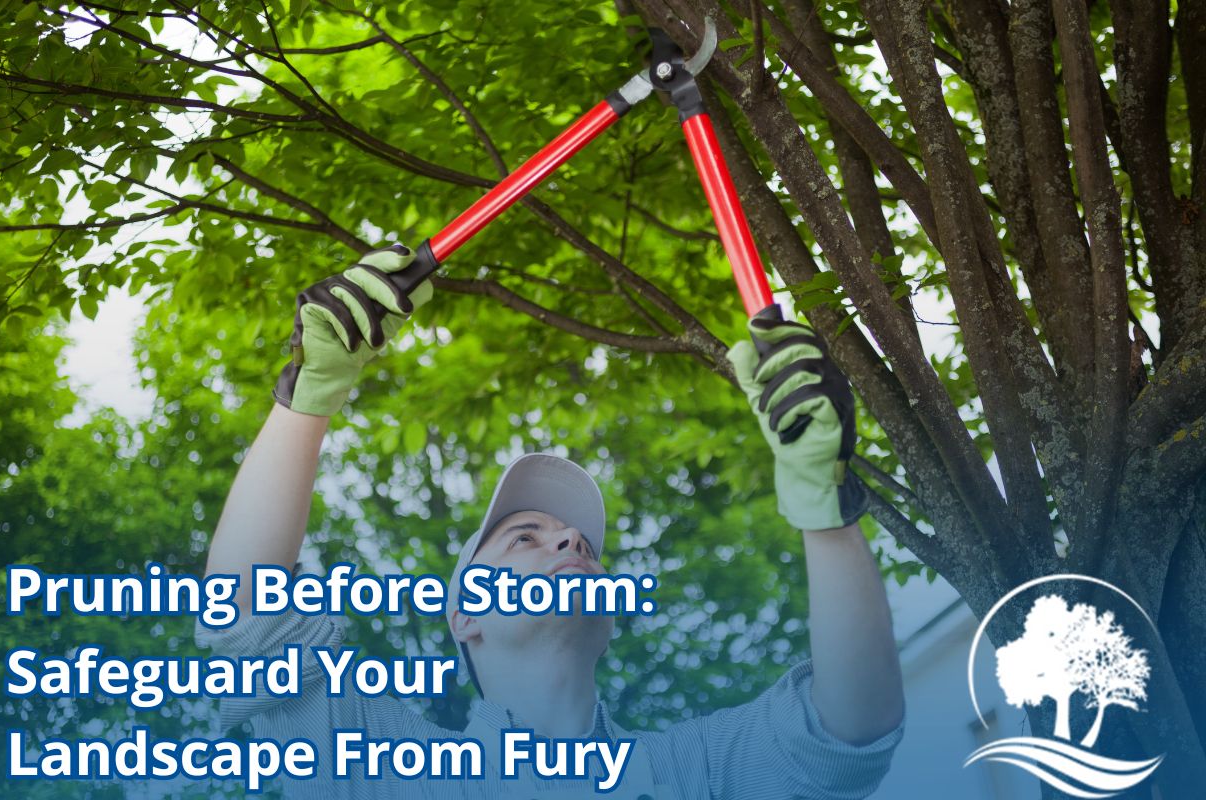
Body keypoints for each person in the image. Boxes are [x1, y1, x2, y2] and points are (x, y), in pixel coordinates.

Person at [197, 246, 905, 798]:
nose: (570, 540)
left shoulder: (693, 773)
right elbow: (242, 618)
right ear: (464, 618)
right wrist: (306, 400)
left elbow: (848, 733)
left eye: (581, 545)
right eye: (523, 537)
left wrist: (824, 509)